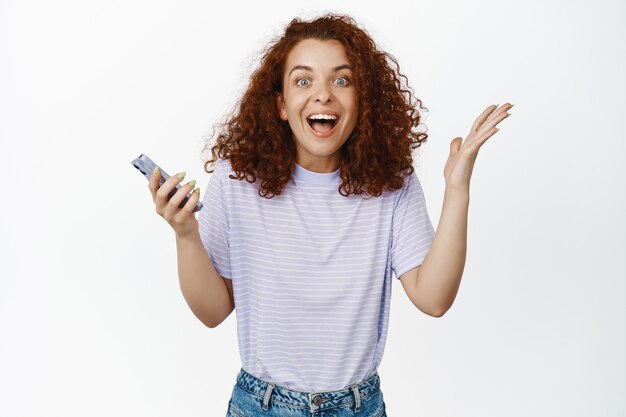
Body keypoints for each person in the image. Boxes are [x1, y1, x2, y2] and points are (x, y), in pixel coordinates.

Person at [147, 13, 512, 417]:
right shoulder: (238, 181)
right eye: (304, 80)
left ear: (363, 102)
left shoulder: (392, 183)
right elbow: (212, 312)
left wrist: (457, 189)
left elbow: (434, 298)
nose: (323, 94)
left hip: (358, 407)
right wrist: (185, 234)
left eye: (341, 80)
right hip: (260, 406)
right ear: (282, 105)